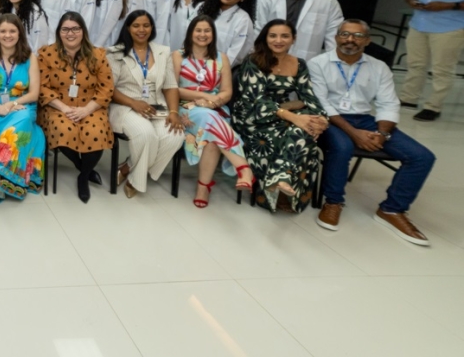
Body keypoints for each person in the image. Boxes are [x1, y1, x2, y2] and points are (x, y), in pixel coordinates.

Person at [309, 21, 436, 244]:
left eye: (357, 36)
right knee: (342, 146)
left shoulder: (379, 67)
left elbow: (388, 104)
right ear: (336, 37)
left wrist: (382, 134)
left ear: (367, 40)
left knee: (422, 157)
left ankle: (392, 210)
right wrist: (354, 134)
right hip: (332, 120)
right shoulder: (318, 64)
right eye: (345, 34)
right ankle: (333, 202)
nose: (350, 40)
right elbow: (322, 104)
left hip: (367, 120)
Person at [233, 20, 327, 213]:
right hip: (252, 117)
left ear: (294, 39)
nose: (278, 40)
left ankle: (280, 180)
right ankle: (280, 188)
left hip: (282, 116)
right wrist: (296, 117)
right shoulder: (254, 61)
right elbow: (256, 100)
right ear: (265, 38)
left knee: (305, 128)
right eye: (273, 35)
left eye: (284, 36)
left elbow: (308, 96)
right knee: (301, 128)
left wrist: (321, 119)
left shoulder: (298, 64)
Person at [171, 15, 253, 207]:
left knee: (212, 137)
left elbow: (227, 92)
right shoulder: (178, 55)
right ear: (191, 33)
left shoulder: (221, 57)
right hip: (186, 108)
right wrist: (206, 98)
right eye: (198, 30)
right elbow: (173, 88)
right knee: (210, 120)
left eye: (207, 31)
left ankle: (203, 187)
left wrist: (213, 102)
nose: (202, 34)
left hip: (215, 109)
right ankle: (243, 167)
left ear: (213, 34)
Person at [36, 13, 113, 202]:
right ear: (59, 32)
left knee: (95, 131)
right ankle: (83, 168)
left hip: (90, 105)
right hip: (57, 105)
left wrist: (87, 109)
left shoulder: (98, 55)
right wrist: (63, 108)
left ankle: (83, 177)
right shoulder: (46, 54)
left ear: (83, 31)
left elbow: (107, 87)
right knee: (63, 129)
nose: (70, 33)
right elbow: (42, 86)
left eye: (75, 29)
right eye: (65, 29)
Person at [108, 10, 184, 198]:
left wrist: (173, 111)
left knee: (175, 135)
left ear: (152, 28)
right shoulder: (115, 53)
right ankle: (136, 180)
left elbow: (170, 85)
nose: (141, 29)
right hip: (124, 106)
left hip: (156, 106)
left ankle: (128, 168)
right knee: (145, 133)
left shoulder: (163, 52)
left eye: (146, 25)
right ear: (127, 28)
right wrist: (134, 103)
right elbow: (109, 89)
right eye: (136, 25)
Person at [0, 13, 43, 202]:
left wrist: (11, 104)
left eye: (12, 31)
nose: (7, 35)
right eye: (3, 31)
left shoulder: (30, 57)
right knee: (22, 126)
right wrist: (0, 107)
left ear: (19, 33)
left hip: (21, 106)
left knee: (23, 118)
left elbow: (34, 94)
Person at [399, 0, 464, 121]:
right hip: (419, 24)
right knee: (415, 64)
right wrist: (412, 1)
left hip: (450, 28)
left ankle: (433, 106)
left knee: (442, 69)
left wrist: (450, 5)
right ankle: (408, 98)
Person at [197, 0, 256, 66]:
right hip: (192, 66)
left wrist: (214, 71)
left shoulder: (243, 19)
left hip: (220, 71)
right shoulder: (203, 8)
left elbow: (236, 55)